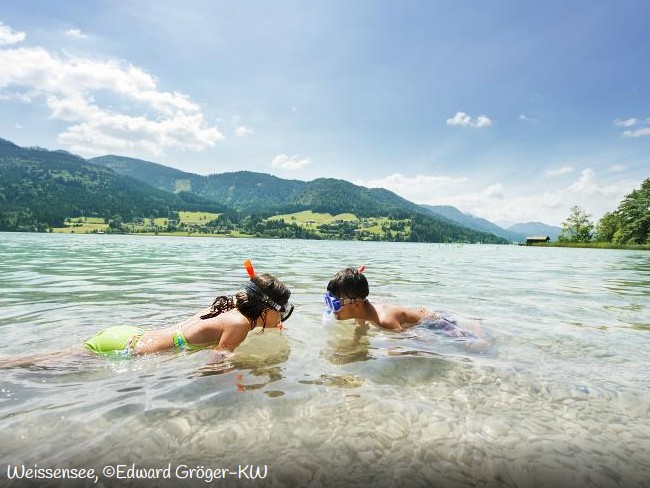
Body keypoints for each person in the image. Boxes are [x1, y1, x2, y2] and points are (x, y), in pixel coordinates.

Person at [0, 260, 293, 368]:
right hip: (133, 351)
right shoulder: (240, 324)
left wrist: (271, 328)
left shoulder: (230, 308)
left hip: (130, 334)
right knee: (34, 364)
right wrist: (245, 370)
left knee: (52, 357)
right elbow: (217, 360)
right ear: (267, 310)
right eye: (282, 313)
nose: (282, 319)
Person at [324, 267, 490, 350]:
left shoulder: (385, 321)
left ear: (356, 304)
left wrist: (395, 351)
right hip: (422, 313)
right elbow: (360, 330)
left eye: (335, 304)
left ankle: (476, 325)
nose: (331, 310)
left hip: (434, 321)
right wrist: (353, 346)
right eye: (328, 302)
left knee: (477, 346)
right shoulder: (361, 310)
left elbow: (421, 341)